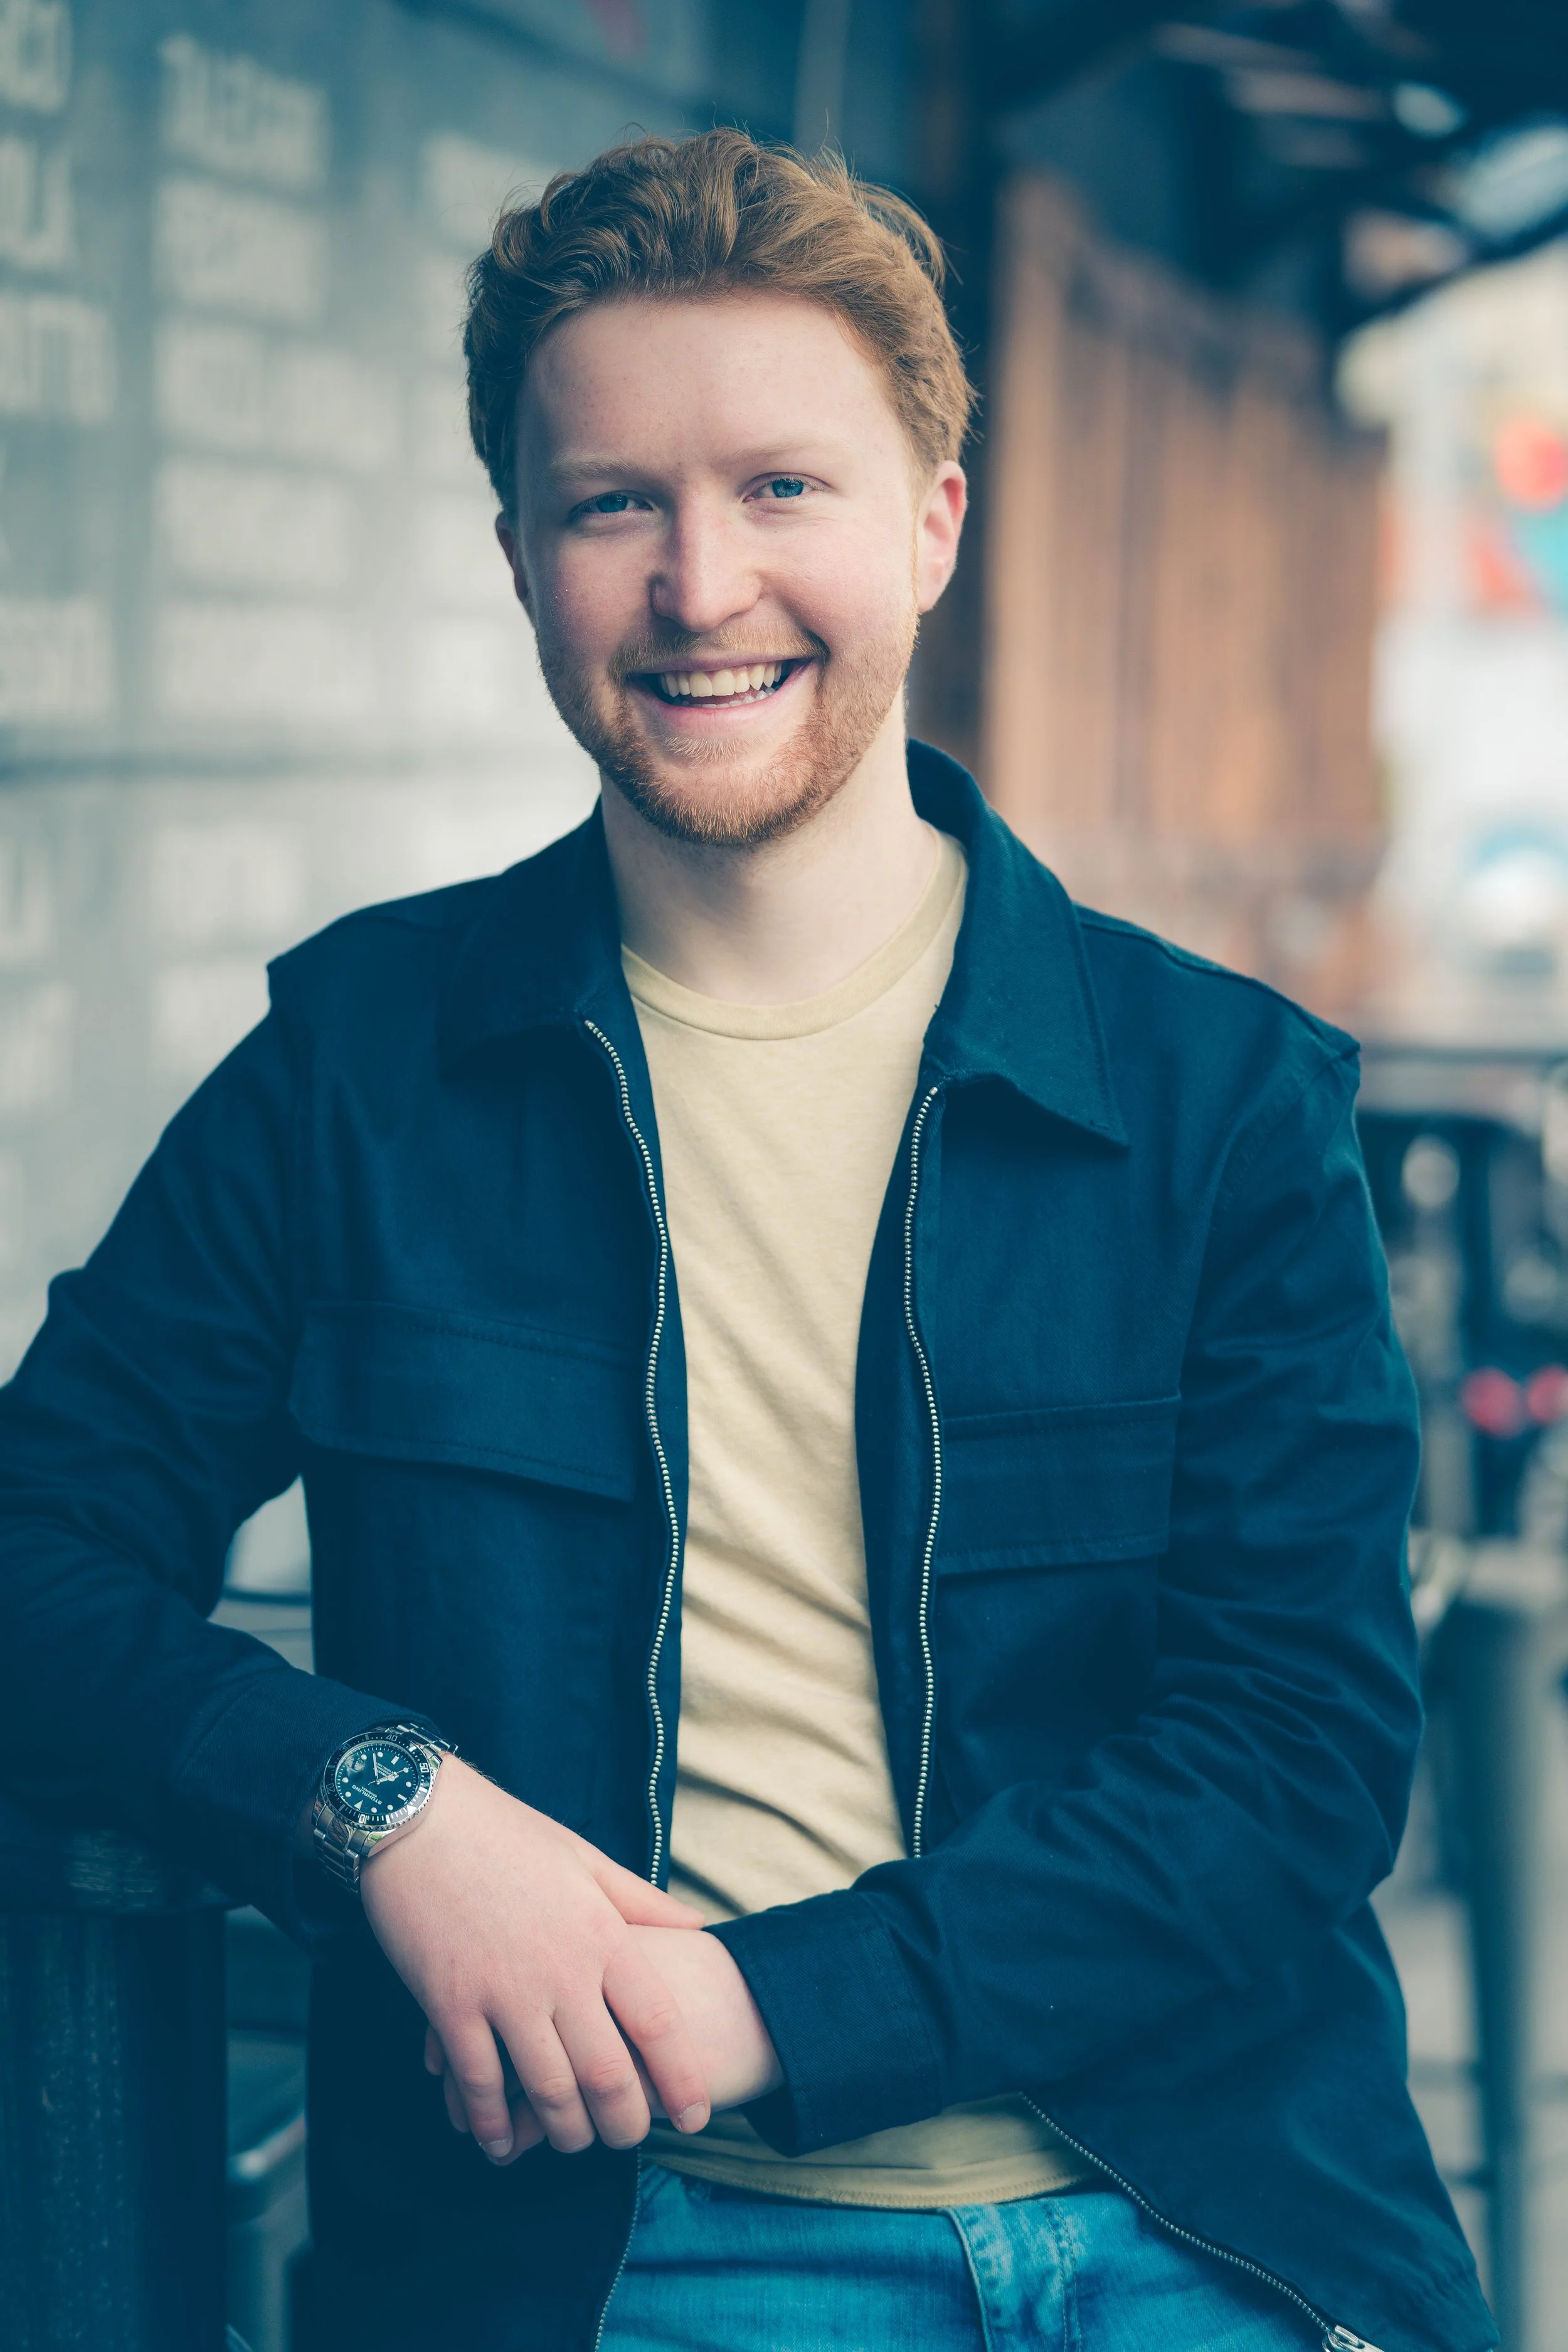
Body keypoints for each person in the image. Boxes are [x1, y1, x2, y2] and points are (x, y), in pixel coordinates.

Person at [0, 130, 1491, 2352]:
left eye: (781, 489)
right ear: (519, 555)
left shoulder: (1219, 1101)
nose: (700, 586)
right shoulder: (359, 1070)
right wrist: (380, 1803)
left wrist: (763, 2002)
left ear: (931, 523)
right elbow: (38, 1537)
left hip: (1191, 2209)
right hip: (634, 2254)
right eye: (614, 504)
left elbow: (1291, 1751)